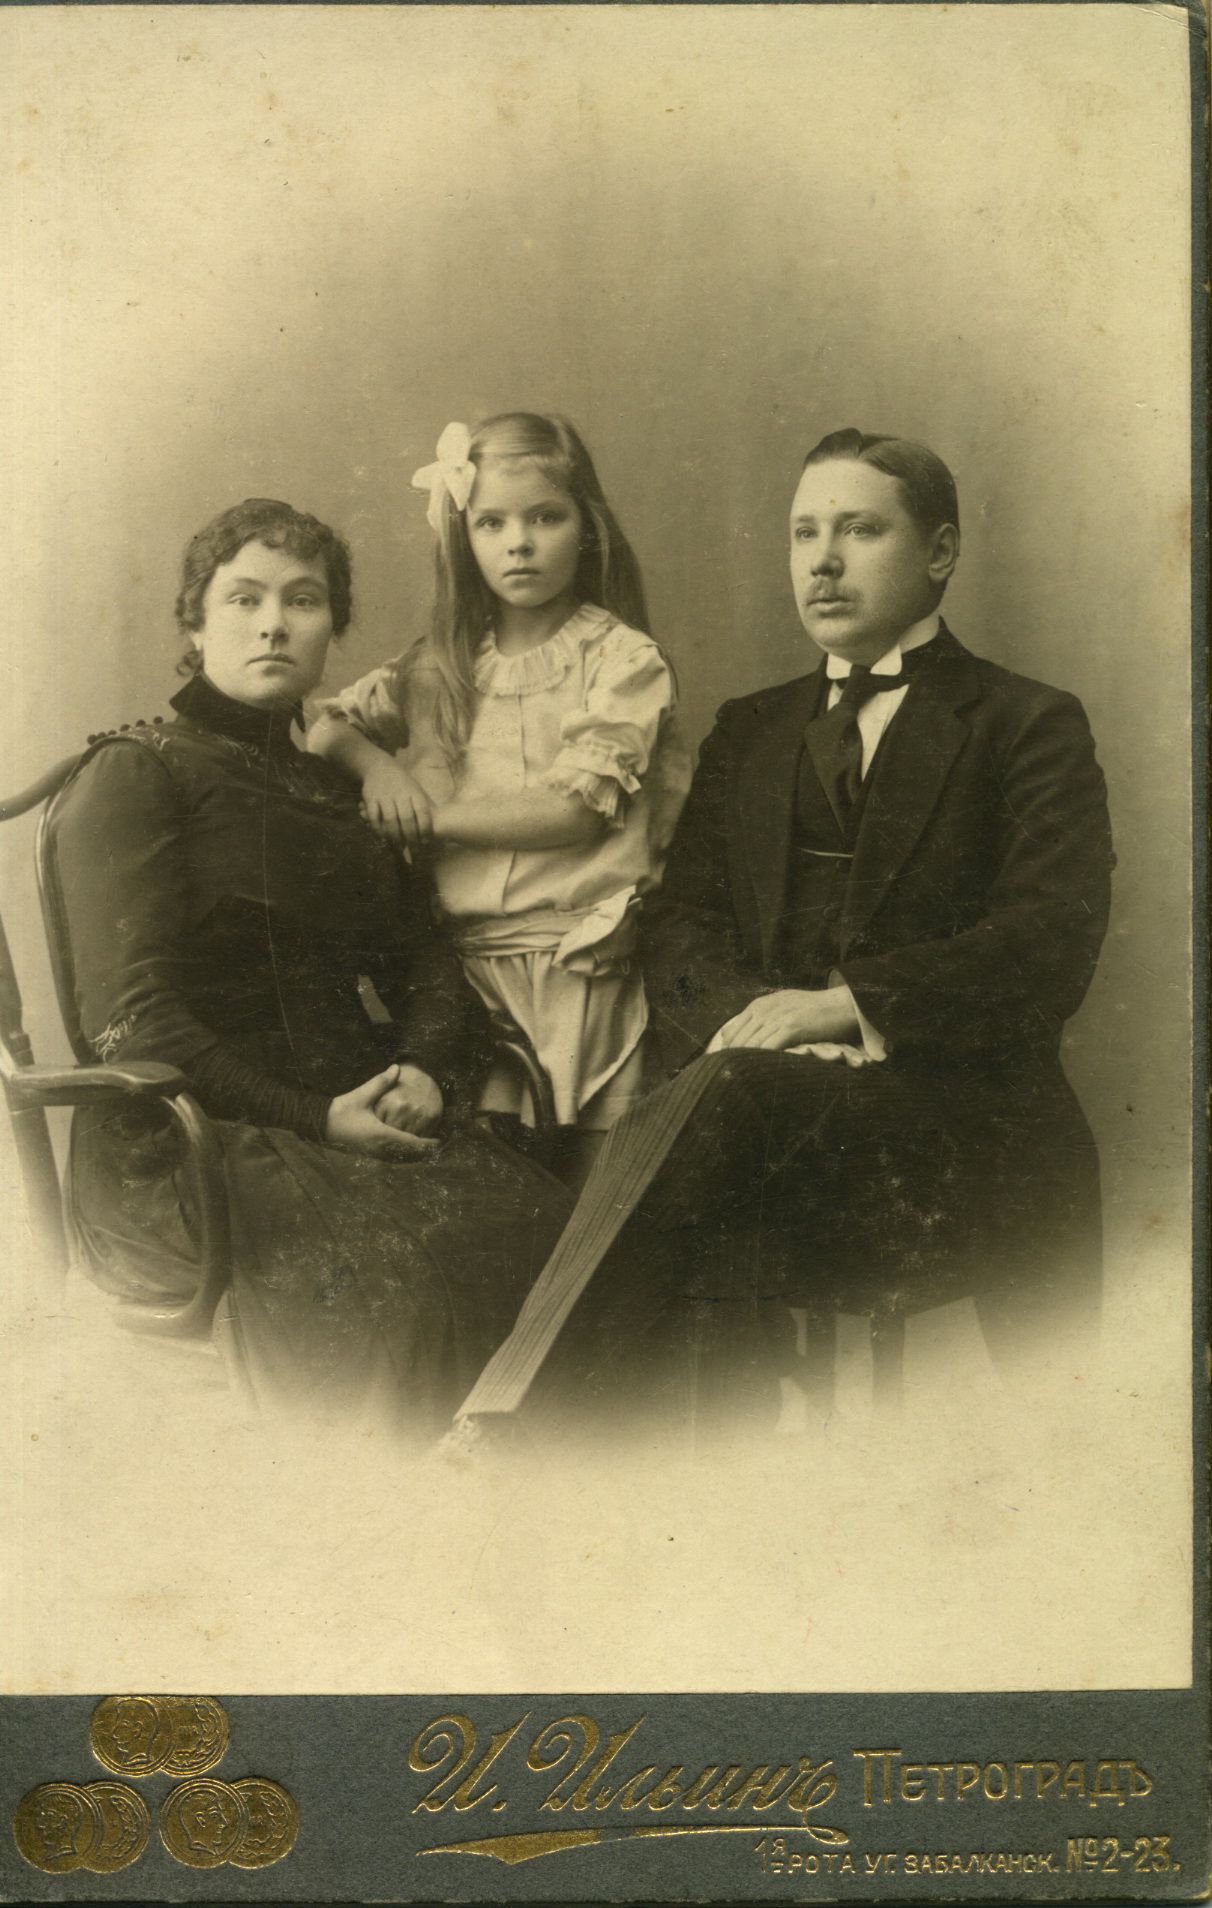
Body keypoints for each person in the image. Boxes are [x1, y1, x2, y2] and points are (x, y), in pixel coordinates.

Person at [454, 429, 1115, 1431]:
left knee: (704, 1115)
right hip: (768, 1107)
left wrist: (843, 1010)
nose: (824, 561)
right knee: (711, 1108)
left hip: (956, 1131)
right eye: (805, 533)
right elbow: (680, 928)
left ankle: (520, 1422)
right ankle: (611, 1453)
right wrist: (763, 1025)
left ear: (940, 551)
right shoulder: (753, 728)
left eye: (860, 531)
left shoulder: (1026, 721)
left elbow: (1050, 940)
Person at [54, 498, 572, 1437]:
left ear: (333, 627)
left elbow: (427, 965)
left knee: (555, 1241)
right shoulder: (138, 772)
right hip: (188, 1139)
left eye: (303, 600)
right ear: (194, 623)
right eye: (243, 598)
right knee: (399, 1296)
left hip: (351, 1116)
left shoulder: (338, 786)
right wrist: (313, 1116)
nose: (273, 624)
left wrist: (424, 1067)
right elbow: (131, 1021)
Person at [307, 415, 689, 1151]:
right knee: (484, 1173)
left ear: (587, 528)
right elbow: (324, 726)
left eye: (545, 517)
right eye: (491, 522)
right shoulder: (439, 665)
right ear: (464, 538)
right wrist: (379, 767)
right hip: (463, 980)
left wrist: (430, 818)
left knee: (591, 1171)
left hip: (579, 970)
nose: (519, 542)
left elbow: (574, 810)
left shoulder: (622, 660)